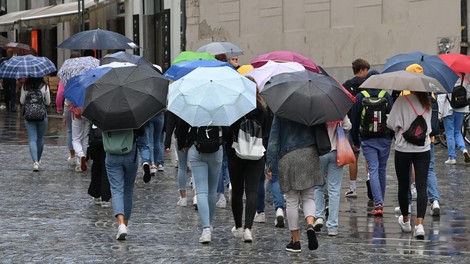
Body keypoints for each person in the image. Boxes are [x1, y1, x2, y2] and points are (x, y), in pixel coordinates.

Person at [265, 116, 322, 253]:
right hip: (309, 153)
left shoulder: (281, 112)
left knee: (291, 201)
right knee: (309, 197)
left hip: (288, 156)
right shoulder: (310, 109)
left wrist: (270, 164)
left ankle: (295, 241)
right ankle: (310, 224)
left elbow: (273, 141)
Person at [225, 77, 270, 242]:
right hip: (256, 154)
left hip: (235, 153)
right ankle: (248, 229)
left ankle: (238, 226)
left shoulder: (235, 109)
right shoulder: (263, 110)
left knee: (237, 191)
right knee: (252, 191)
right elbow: (266, 134)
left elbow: (228, 132)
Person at [387, 88, 432, 239]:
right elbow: (429, 128)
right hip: (423, 149)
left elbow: (391, 124)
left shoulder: (401, 100)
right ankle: (419, 225)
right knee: (421, 186)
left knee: (403, 185)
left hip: (403, 149)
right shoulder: (427, 102)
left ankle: (406, 221)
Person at [350, 70, 394, 216]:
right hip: (385, 138)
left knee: (373, 169)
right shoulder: (386, 96)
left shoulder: (360, 97)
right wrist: (391, 136)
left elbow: (355, 121)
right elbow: (392, 118)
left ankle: (378, 203)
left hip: (368, 139)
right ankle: (380, 201)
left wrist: (355, 140)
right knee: (382, 169)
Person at [176, 119, 225, 244]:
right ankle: (209, 222)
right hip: (216, 148)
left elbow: (182, 124)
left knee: (201, 190)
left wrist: (181, 143)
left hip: (196, 148)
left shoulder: (194, 102)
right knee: (212, 190)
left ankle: (206, 228)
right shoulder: (220, 104)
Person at [314, 116, 352, 236]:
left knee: (318, 186)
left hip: (320, 152)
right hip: (336, 151)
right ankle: (332, 226)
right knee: (334, 189)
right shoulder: (338, 110)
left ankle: (319, 216)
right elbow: (348, 126)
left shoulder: (316, 110)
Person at [104, 128, 143, 240]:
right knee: (128, 189)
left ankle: (120, 224)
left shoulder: (106, 114)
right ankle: (125, 224)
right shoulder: (132, 113)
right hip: (130, 152)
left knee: (116, 189)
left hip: (112, 154)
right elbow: (141, 133)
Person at [342, 58, 370, 198]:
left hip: (352, 126)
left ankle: (353, 188)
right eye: (366, 70)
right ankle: (371, 179)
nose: (367, 73)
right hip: (368, 126)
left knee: (354, 158)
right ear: (361, 70)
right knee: (370, 157)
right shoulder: (368, 84)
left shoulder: (346, 85)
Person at [20, 77, 51, 171]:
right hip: (42, 115)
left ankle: (35, 162)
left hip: (29, 116)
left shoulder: (25, 86)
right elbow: (48, 102)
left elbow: (21, 101)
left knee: (32, 139)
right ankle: (38, 159)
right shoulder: (45, 86)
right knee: (40, 139)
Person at [165, 111, 195, 207]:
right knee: (195, 167)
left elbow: (170, 125)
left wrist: (167, 143)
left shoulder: (175, 105)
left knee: (182, 166)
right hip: (193, 137)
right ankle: (196, 196)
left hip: (180, 136)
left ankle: (183, 197)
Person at [438, 75, 470, 164]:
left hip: (448, 109)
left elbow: (441, 97)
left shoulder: (446, 77)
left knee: (449, 133)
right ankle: (464, 150)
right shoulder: (465, 79)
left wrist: (439, 113)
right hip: (460, 109)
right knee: (457, 131)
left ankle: (452, 157)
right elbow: (468, 94)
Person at [88, 124, 111, 208]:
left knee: (96, 164)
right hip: (107, 136)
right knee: (105, 166)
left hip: (94, 136)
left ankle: (96, 193)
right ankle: (105, 197)